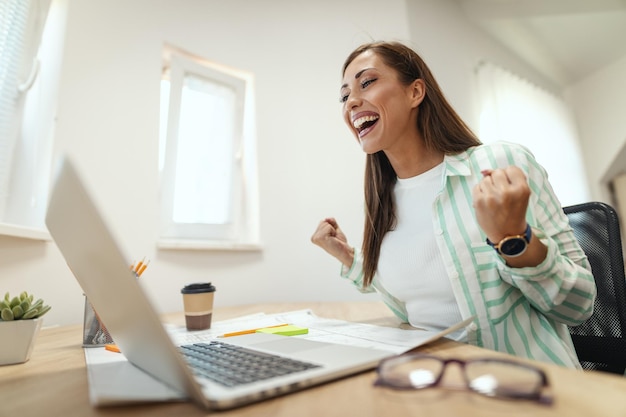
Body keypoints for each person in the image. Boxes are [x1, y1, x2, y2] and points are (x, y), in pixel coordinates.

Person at [311, 40, 596, 369]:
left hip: (525, 387)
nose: (352, 102)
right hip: (434, 383)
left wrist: (513, 239)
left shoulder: (500, 163)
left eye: (368, 82)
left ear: (415, 92)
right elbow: (420, 298)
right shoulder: (382, 202)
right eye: (345, 96)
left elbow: (579, 306)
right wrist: (348, 258)